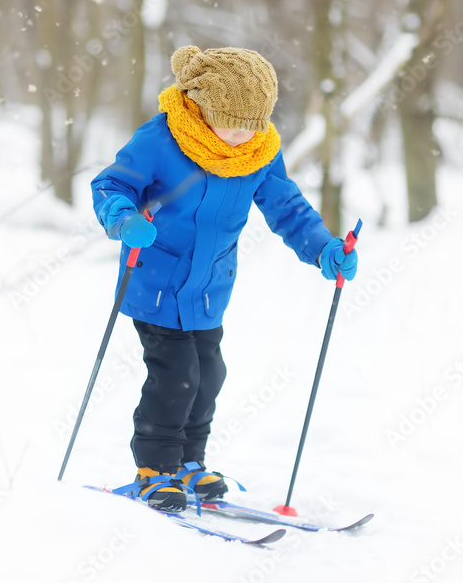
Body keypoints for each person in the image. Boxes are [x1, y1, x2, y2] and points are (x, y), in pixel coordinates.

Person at [90, 45, 358, 513]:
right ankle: (155, 467)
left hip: (209, 289)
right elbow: (112, 185)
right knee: (177, 376)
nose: (240, 137)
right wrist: (122, 218)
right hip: (155, 282)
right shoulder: (161, 140)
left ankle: (189, 462)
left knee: (209, 375)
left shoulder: (257, 150)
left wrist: (324, 249)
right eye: (230, 123)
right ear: (201, 107)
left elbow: (287, 208)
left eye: (250, 126)